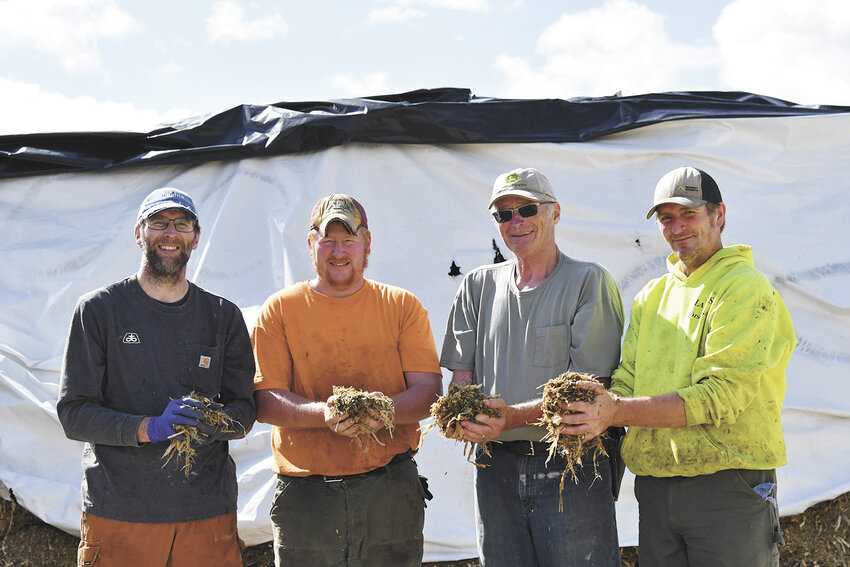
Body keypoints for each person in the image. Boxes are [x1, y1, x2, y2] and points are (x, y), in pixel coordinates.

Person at [560, 166, 796, 567]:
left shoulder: (744, 287)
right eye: (667, 218)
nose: (677, 227)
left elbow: (720, 396)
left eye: (689, 213)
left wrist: (614, 411)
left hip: (728, 485)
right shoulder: (652, 296)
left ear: (718, 215)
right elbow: (627, 379)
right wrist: (594, 404)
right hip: (656, 486)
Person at [57, 187, 257, 567]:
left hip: (206, 514)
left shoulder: (222, 316)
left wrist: (212, 423)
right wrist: (148, 428)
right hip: (120, 513)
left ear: (196, 239)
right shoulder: (99, 311)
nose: (170, 233)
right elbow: (74, 413)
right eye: (158, 222)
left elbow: (245, 408)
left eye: (182, 224)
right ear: (139, 233)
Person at [440, 168, 625, 567]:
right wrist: (459, 415)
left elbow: (587, 395)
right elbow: (460, 380)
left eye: (526, 209)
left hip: (571, 464)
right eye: (504, 215)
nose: (515, 222)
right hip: (495, 468)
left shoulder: (587, 282)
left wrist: (507, 417)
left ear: (554, 213)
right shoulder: (476, 286)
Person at [251, 193, 442, 566]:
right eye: (327, 240)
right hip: (306, 496)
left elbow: (428, 391)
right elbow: (266, 399)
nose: (338, 251)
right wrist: (324, 414)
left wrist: (382, 412)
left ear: (367, 244)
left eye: (349, 240)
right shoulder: (279, 309)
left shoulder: (402, 306)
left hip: (389, 488)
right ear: (310, 245)